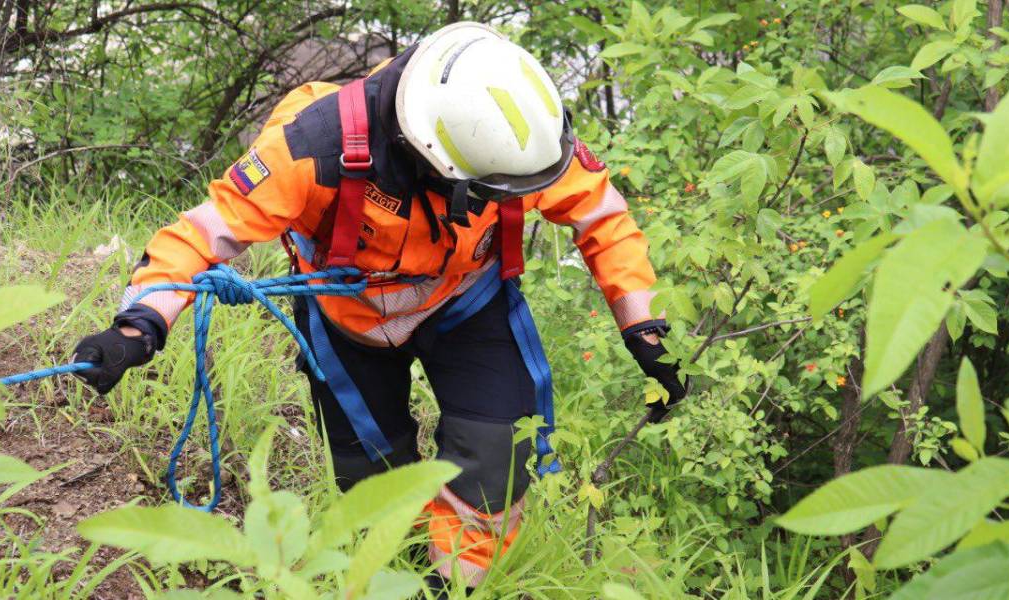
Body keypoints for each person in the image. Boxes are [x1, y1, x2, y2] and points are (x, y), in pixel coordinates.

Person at [72, 22, 685, 591]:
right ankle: (398, 570)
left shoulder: (516, 135)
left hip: (465, 301)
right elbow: (204, 234)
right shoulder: (314, 146)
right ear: (440, 161)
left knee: (497, 451)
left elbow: (602, 215)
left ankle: (458, 587)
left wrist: (646, 331)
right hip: (346, 320)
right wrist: (139, 324)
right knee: (371, 480)